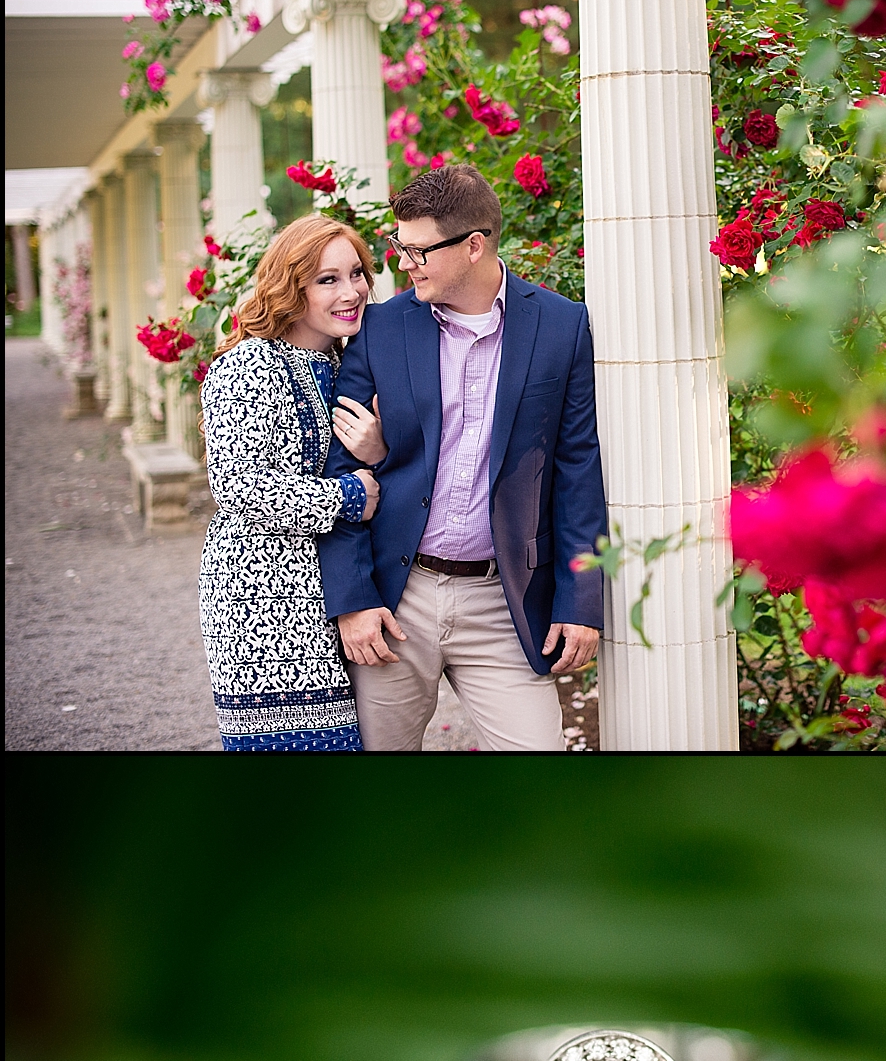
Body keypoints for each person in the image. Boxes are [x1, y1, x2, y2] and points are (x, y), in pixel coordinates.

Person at [319, 164, 608, 752]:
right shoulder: (380, 328)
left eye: (418, 249)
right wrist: (353, 601)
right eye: (399, 246)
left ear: (474, 245)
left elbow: (577, 467)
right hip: (400, 599)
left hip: (506, 601)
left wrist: (582, 600)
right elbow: (340, 469)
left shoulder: (561, 326)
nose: (404, 262)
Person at [198, 213, 387, 752]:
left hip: (335, 593)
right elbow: (243, 493)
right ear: (291, 285)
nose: (350, 291)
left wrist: (375, 454)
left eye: (356, 274)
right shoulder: (247, 367)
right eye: (327, 279)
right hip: (263, 607)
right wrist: (354, 494)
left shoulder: (342, 360)